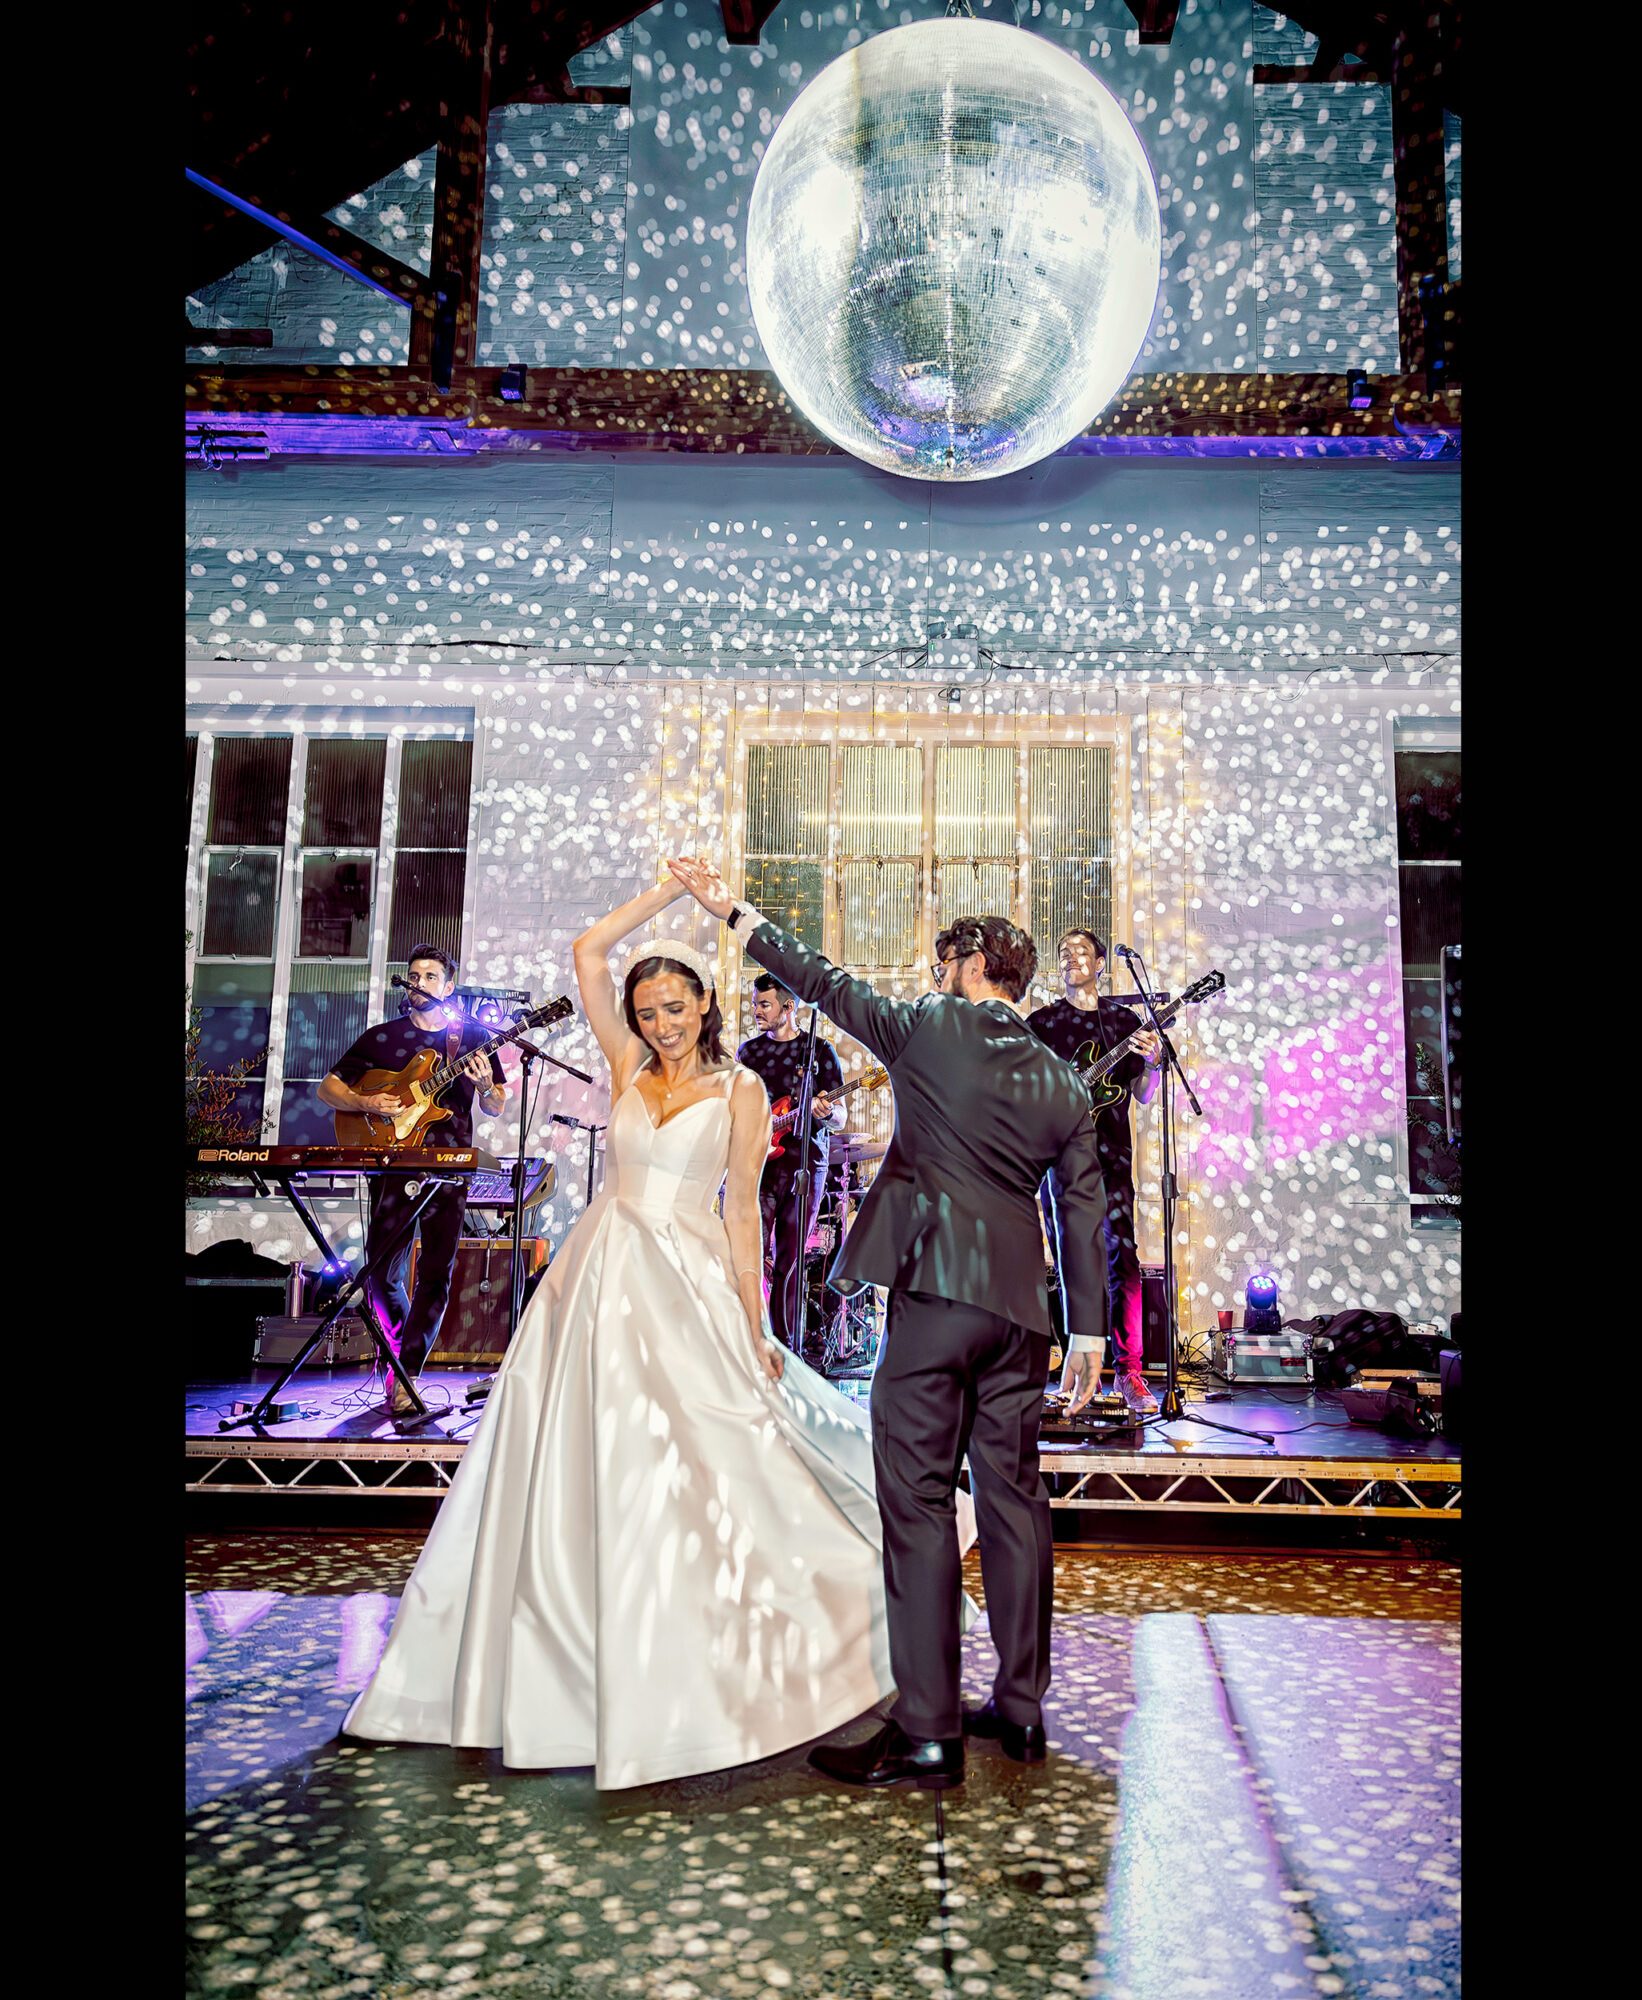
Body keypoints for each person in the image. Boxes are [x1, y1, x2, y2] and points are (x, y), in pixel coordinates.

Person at [342, 872, 975, 1789]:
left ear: (705, 1002)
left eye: (674, 1007)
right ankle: (570, 1660)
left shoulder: (744, 1089)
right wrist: (661, 895)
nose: (660, 1023)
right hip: (596, 1277)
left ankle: (742, 1646)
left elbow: (748, 1214)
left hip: (686, 1274)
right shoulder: (630, 1068)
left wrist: (756, 1322)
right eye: (647, 1012)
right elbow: (588, 955)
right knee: (577, 1457)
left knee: (717, 1450)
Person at [671, 858, 1109, 1792]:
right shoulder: (1063, 1081)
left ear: (975, 964)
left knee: (913, 1502)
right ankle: (1023, 1714)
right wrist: (1091, 1333)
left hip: (936, 1299)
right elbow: (1081, 1212)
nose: (938, 972)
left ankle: (928, 1730)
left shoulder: (930, 1027)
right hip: (1023, 1314)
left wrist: (735, 913)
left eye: (949, 959)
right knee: (1016, 1502)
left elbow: (822, 981)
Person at [318, 945, 507, 1414]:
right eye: (413, 974)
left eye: (429, 976)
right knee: (381, 1271)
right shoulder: (383, 1038)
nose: (418, 982)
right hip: (394, 1161)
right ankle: (399, 1360)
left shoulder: (474, 1038)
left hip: (449, 1166)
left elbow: (497, 1104)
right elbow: (329, 1087)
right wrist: (365, 1104)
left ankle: (409, 1372)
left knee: (438, 1272)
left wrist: (485, 1086)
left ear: (447, 989)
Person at [1026, 929, 1163, 1416]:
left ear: (1101, 964)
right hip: (1057, 1162)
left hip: (1111, 1159)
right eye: (1064, 952)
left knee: (1122, 1261)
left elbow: (1144, 1094)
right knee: (1066, 1264)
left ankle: (1129, 1373)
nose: (1072, 958)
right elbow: (1022, 1089)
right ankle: (1072, 1369)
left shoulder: (1122, 1023)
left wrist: (1154, 1063)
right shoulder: (1041, 1023)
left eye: (1082, 951)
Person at [735, 972, 846, 1363]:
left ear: (789, 1007)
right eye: (754, 1004)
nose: (757, 1011)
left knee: (790, 1261)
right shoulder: (748, 1054)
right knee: (749, 1253)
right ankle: (748, 1342)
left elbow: (841, 1120)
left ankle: (786, 1350)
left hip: (805, 1165)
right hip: (758, 1165)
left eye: (764, 1005)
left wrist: (826, 1111)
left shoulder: (820, 1052)